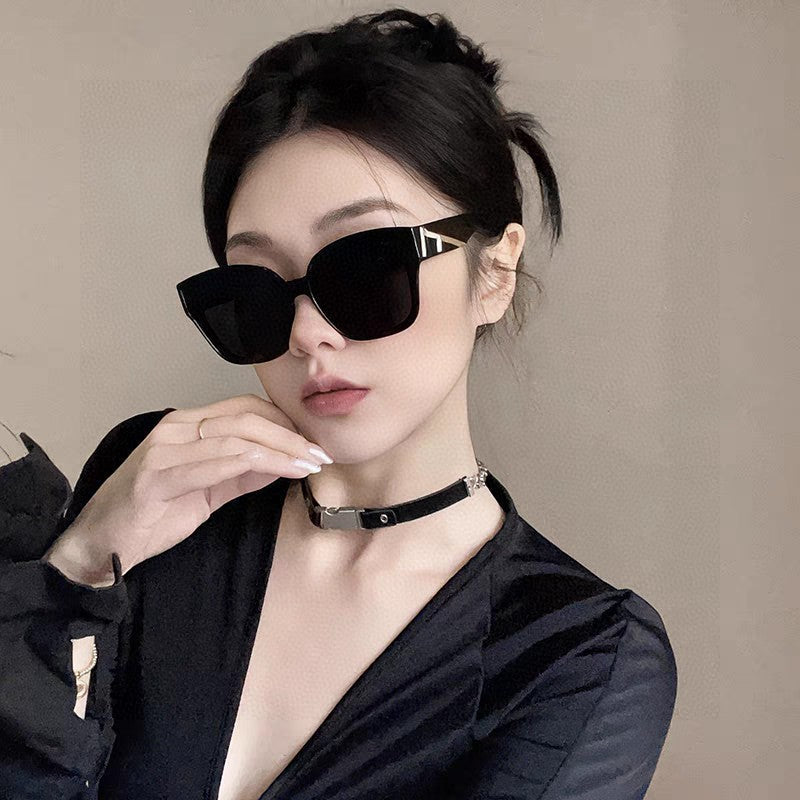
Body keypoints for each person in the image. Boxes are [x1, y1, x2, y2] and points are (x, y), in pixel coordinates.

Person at [0, 8, 677, 799]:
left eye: (367, 267)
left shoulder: (583, 653)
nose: (306, 334)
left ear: (493, 273)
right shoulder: (158, 486)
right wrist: (81, 564)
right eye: (256, 290)